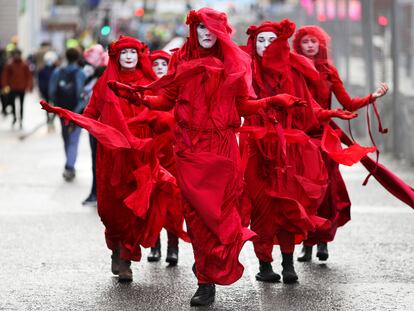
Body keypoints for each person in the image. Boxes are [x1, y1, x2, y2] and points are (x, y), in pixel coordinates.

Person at [109, 8, 304, 306]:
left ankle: (215, 265)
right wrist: (139, 97)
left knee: (222, 216)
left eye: (212, 28)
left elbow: (242, 106)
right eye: (201, 28)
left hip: (222, 149)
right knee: (197, 218)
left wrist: (270, 102)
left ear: (221, 32)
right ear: (194, 30)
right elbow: (166, 100)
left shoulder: (235, 62)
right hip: (189, 151)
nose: (206, 33)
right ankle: (205, 281)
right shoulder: (181, 59)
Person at [41, 36, 187, 283]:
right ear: (116, 56)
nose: (128, 56)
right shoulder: (104, 83)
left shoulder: (150, 83)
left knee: (136, 208)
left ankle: (126, 259)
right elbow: (92, 112)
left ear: (139, 56)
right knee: (112, 209)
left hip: (141, 155)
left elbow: (166, 114)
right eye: (123, 52)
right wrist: (80, 121)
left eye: (133, 51)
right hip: (112, 154)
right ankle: (116, 250)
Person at [242, 19, 371, 284]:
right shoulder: (244, 70)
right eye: (260, 40)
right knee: (261, 208)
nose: (266, 45)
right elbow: (236, 105)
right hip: (255, 147)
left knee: (289, 203)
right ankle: (265, 264)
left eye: (271, 39)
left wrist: (329, 113)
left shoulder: (294, 70)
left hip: (288, 149)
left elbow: (308, 107)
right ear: (253, 44)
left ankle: (288, 263)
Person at [292, 25, 389, 262]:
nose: (311, 45)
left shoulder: (329, 72)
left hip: (324, 138)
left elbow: (347, 102)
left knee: (326, 189)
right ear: (298, 46)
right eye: (305, 41)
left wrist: (371, 97)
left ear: (321, 44)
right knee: (303, 191)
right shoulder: (292, 70)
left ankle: (322, 240)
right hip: (300, 137)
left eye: (314, 41)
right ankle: (307, 242)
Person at [146, 49, 181, 265]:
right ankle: (154, 245)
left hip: (175, 156)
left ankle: (173, 247)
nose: (159, 67)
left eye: (163, 64)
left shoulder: (177, 91)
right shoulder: (145, 92)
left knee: (174, 204)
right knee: (152, 201)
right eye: (155, 64)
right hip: (150, 156)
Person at [49, 48, 86, 181]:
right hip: (77, 112)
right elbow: (83, 95)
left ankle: (69, 164)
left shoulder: (58, 72)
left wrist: (56, 108)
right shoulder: (81, 73)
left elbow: (52, 92)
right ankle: (70, 166)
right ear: (77, 58)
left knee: (66, 138)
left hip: (62, 111)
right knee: (74, 140)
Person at [81, 44, 108, 207]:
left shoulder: (100, 80)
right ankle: (96, 193)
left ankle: (97, 193)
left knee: (98, 161)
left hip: (100, 127)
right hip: (96, 126)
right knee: (97, 161)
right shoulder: (93, 79)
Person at [1, 49, 33, 128]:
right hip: (13, 87)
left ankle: (21, 119)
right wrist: (5, 85)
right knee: (13, 104)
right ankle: (15, 117)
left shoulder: (24, 64)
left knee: (21, 104)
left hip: (22, 87)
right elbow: (5, 76)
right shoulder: (10, 65)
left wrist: (29, 86)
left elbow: (29, 76)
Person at [37, 50, 59, 131]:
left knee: (54, 107)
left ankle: (51, 119)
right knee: (47, 107)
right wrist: (41, 90)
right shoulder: (42, 70)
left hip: (53, 92)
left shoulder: (56, 70)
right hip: (46, 91)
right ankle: (48, 119)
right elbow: (40, 82)